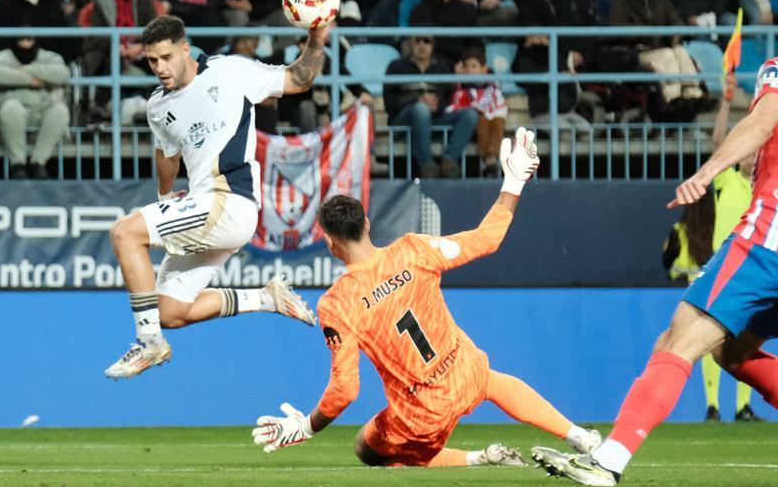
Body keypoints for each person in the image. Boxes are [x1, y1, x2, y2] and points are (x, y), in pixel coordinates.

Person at [535, 0, 778, 487]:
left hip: (772, 233)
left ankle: (608, 461)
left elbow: (761, 124)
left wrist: (707, 171)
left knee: (676, 341)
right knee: (732, 355)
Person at [250, 156, 602, 466]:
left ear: (329, 242)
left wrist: (307, 426)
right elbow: (487, 239)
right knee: (493, 382)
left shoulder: (338, 303)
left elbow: (345, 390)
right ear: (367, 224)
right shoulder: (414, 250)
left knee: (367, 448)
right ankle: (577, 435)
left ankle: (478, 458)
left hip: (422, 413)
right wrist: (513, 183)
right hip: (464, 372)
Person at [102, 15, 328, 379]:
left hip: (231, 201)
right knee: (169, 312)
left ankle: (149, 343)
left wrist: (316, 40)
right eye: (152, 61)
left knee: (124, 233)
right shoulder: (158, 106)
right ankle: (266, 298)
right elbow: (167, 156)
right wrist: (163, 198)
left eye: (167, 57)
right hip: (204, 205)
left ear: (185, 49)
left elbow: (299, 79)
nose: (160, 68)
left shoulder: (231, 71)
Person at [661, 71, 760, 423]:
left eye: (755, 151)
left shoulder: (764, 186)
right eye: (746, 152)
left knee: (746, 337)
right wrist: (726, 103)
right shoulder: (729, 178)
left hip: (751, 267)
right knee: (707, 335)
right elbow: (720, 145)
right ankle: (713, 406)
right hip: (722, 265)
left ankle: (743, 407)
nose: (750, 156)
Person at [514, 0, 598, 125]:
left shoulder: (579, 1)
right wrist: (568, 55)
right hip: (541, 63)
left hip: (580, 63)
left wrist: (581, 55)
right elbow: (536, 40)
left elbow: (590, 32)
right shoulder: (530, 0)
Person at [610, 0, 703, 108]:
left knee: (680, 51)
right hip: (637, 52)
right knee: (667, 54)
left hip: (662, 47)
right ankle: (673, 98)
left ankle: (693, 94)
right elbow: (618, 27)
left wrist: (675, 34)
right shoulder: (623, 0)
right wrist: (648, 33)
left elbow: (676, 21)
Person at [383, 33, 478, 179]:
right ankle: (427, 165)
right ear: (411, 43)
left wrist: (436, 106)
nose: (422, 45)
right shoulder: (396, 66)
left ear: (433, 45)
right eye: (417, 40)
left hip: (435, 118)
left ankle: (449, 161)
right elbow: (389, 104)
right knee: (420, 109)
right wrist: (417, 99)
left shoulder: (443, 66)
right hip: (404, 122)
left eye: (426, 41)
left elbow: (450, 98)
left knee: (470, 115)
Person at [0, 34, 71, 180]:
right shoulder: (4, 56)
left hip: (42, 107)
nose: (25, 45)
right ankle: (17, 164)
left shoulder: (48, 56)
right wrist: (32, 80)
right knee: (11, 108)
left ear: (35, 40)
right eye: (21, 40)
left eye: (29, 40)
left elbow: (63, 74)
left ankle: (38, 163)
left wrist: (26, 69)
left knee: (60, 111)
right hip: (12, 106)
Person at [449, 47, 507, 177]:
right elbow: (458, 104)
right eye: (467, 67)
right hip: (476, 121)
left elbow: (493, 102)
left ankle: (492, 155)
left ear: (484, 69)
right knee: (482, 122)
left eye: (474, 66)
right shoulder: (460, 86)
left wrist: (484, 110)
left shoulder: (492, 85)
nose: (470, 71)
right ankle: (488, 159)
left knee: (497, 123)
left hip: (495, 114)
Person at [408, 0, 481, 66]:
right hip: (431, 64)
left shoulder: (467, 9)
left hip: (462, 65)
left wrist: (466, 63)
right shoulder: (418, 11)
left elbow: (475, 42)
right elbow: (419, 43)